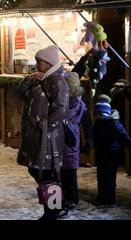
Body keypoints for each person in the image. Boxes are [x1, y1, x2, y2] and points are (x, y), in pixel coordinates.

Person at [17, 45, 69, 220]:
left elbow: (61, 108)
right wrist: (29, 80)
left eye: (40, 61)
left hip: (48, 137)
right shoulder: (42, 78)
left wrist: (45, 125)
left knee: (45, 173)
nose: (37, 64)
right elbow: (22, 95)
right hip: (37, 135)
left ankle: (54, 210)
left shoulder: (58, 81)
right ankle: (56, 207)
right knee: (38, 171)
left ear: (48, 62)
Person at [58, 72, 93, 219]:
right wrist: (89, 140)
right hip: (73, 140)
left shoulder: (60, 102)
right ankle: (72, 198)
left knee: (60, 170)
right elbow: (87, 124)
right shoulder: (81, 105)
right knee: (70, 170)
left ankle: (64, 198)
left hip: (59, 138)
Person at [93, 96, 131, 206]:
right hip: (101, 153)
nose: (96, 116)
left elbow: (124, 136)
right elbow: (95, 137)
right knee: (101, 177)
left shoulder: (115, 124)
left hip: (112, 154)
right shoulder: (98, 124)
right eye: (96, 114)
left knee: (109, 178)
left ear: (104, 114)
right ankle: (101, 197)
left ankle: (109, 200)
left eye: (98, 114)